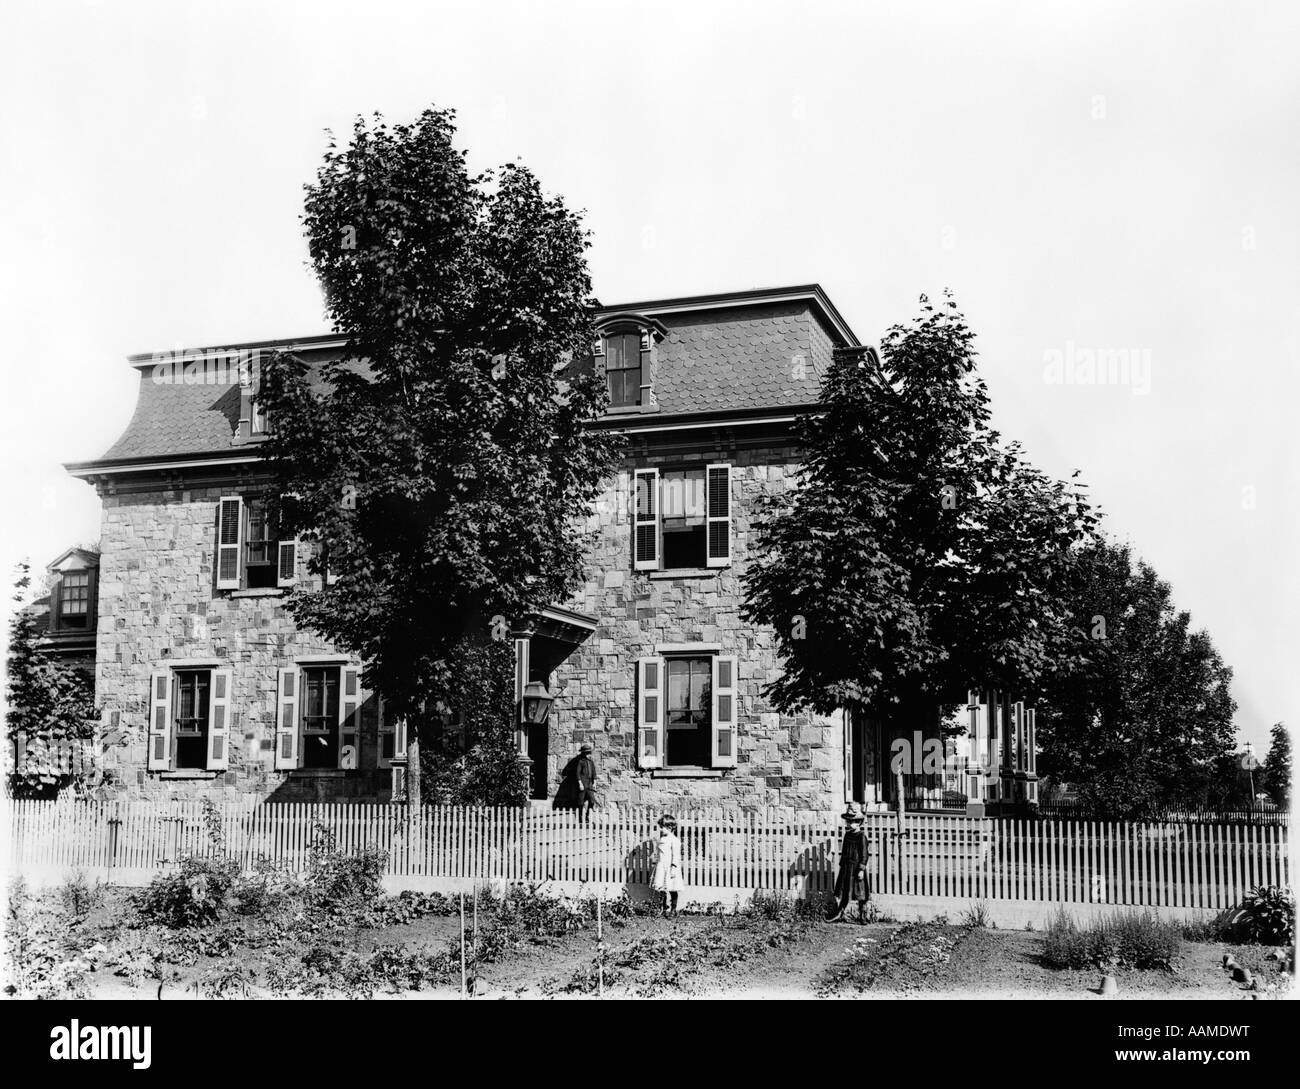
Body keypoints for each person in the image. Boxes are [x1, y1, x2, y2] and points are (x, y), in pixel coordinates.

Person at [827, 802, 871, 922]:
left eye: (854, 822)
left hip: (857, 868)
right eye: (849, 821)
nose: (851, 824)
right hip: (847, 868)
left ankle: (863, 916)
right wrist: (842, 867)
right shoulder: (847, 835)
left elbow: (864, 854)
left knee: (860, 893)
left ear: (859, 823)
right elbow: (844, 851)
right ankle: (839, 913)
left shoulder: (861, 836)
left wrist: (861, 869)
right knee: (845, 891)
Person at [651, 814, 684, 916]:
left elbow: (676, 856)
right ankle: (663, 908)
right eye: (660, 827)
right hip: (661, 866)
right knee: (662, 888)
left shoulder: (674, 840)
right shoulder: (662, 839)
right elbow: (660, 853)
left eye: (662, 827)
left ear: (670, 828)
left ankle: (673, 909)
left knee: (672, 888)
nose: (661, 829)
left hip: (670, 867)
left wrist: (673, 868)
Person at [575, 742, 597, 823]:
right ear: (584, 753)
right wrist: (580, 783)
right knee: (580, 802)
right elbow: (577, 773)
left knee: (592, 801)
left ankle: (587, 816)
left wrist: (594, 783)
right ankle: (580, 817)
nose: (589, 754)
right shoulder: (581, 762)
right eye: (587, 753)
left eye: (589, 752)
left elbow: (594, 773)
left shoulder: (591, 762)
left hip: (589, 784)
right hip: (583, 783)